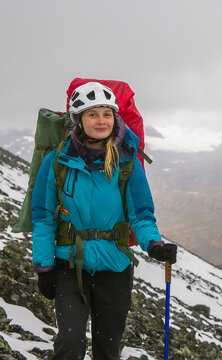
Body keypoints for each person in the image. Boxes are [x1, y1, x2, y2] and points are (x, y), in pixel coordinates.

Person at [31, 81, 177, 360]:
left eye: (107, 114)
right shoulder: (57, 161)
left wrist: (154, 244)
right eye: (93, 114)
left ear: (115, 117)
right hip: (69, 264)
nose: (101, 120)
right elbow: (43, 216)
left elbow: (141, 215)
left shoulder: (127, 161)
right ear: (79, 120)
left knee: (107, 349)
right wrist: (44, 265)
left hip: (114, 266)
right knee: (69, 343)